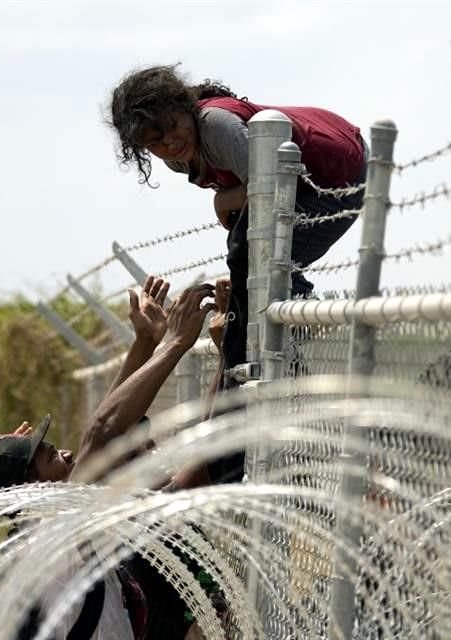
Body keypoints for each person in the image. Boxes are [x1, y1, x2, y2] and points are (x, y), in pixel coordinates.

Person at [109, 65, 368, 483]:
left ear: (184, 107)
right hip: (305, 184)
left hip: (339, 174)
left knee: (247, 252)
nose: (169, 142)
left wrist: (224, 201)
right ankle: (262, 351)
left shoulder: (215, 128)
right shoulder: (183, 158)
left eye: (171, 126)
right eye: (154, 141)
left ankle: (283, 330)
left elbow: (276, 188)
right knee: (247, 254)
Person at [0, 277, 218, 640]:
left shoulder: (41, 535)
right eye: (50, 455)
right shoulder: (52, 534)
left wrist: (145, 343)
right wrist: (175, 343)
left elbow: (103, 431)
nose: (66, 452)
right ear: (34, 486)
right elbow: (102, 432)